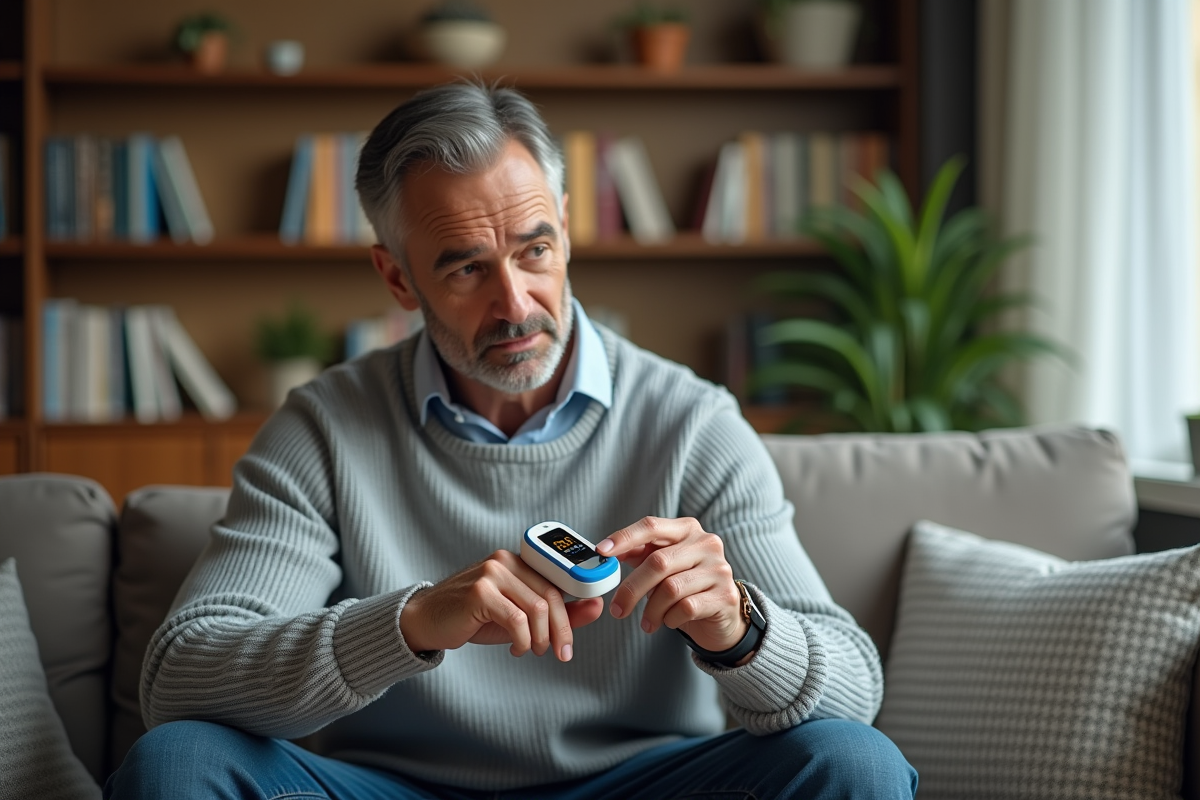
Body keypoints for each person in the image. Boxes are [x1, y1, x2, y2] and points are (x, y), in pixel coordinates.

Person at [106, 81, 917, 800]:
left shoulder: (692, 421)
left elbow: (854, 688)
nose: (515, 303)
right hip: (392, 789)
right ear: (397, 277)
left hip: (644, 783)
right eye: (464, 269)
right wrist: (412, 623)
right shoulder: (323, 428)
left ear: (565, 229)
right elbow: (180, 678)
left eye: (535, 250)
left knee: (854, 763)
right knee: (178, 765)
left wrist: (740, 629)